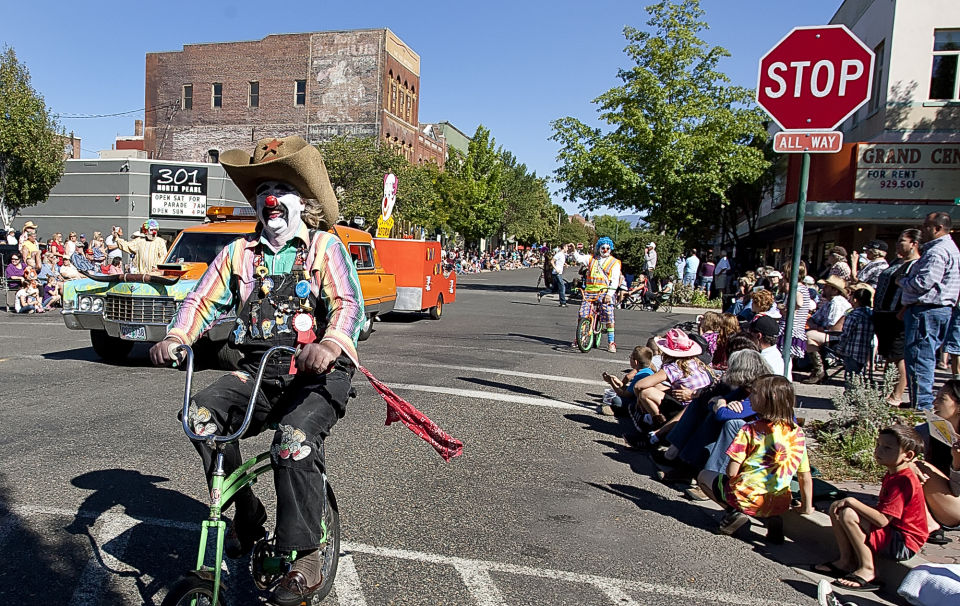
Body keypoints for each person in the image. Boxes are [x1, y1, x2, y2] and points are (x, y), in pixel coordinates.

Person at [148, 136, 360, 605]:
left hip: (318, 376)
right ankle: (245, 512)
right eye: (262, 188)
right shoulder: (238, 254)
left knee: (294, 441)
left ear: (301, 203)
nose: (269, 198)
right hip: (257, 372)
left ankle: (304, 555)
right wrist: (178, 336)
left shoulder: (325, 249)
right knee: (199, 416)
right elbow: (200, 299)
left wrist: (328, 343)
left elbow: (349, 305)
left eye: (279, 188)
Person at [696, 375, 813, 540]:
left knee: (703, 476)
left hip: (748, 497)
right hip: (779, 501)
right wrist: (806, 507)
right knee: (767, 497)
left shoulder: (749, 430)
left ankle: (734, 513)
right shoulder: (798, 433)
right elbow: (804, 475)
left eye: (755, 393)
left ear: (767, 400)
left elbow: (731, 472)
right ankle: (772, 518)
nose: (750, 397)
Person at [815, 425, 928, 592]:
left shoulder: (903, 481)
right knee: (836, 508)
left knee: (848, 513)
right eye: (878, 445)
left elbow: (882, 521)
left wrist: (852, 501)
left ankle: (868, 569)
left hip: (903, 543)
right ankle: (846, 561)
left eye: (887, 448)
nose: (878, 451)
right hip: (892, 534)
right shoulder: (894, 473)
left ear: (908, 455)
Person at [899, 212, 960, 411]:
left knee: (919, 357)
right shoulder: (946, 249)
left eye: (926, 226)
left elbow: (924, 282)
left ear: (937, 229)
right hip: (935, 309)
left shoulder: (937, 252)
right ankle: (920, 400)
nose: (922, 229)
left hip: (928, 310)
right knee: (923, 356)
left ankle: (922, 404)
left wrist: (902, 281)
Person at [874, 229, 922, 406]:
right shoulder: (895, 262)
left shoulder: (916, 264)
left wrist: (904, 310)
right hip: (882, 313)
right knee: (889, 356)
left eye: (902, 241)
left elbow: (915, 290)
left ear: (913, 244)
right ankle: (887, 391)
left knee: (898, 356)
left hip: (897, 314)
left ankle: (897, 395)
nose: (898, 244)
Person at [914, 381, 960, 542]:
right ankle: (926, 520)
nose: (934, 403)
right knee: (908, 462)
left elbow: (957, 491)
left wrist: (957, 461)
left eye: (942, 399)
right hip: (943, 502)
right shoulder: (933, 429)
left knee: (918, 466)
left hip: (956, 506)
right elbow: (905, 441)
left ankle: (929, 523)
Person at [571, 237, 621, 352]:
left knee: (608, 315)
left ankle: (611, 342)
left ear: (610, 248)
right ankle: (580, 337)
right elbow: (579, 259)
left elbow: (614, 280)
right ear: (599, 248)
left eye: (607, 248)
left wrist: (609, 294)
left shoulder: (614, 262)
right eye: (603, 247)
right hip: (589, 292)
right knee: (582, 314)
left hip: (604, 293)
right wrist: (574, 251)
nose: (605, 250)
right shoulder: (591, 259)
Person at [803, 276, 852, 384]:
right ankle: (820, 370)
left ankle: (819, 370)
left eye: (827, 287)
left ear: (834, 290)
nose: (823, 289)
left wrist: (816, 327)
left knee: (809, 336)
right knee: (808, 334)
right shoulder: (829, 302)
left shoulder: (837, 302)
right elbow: (813, 319)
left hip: (837, 337)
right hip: (827, 333)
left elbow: (833, 327)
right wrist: (815, 325)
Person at [600, 346, 655, 416]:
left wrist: (611, 382)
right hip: (642, 400)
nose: (630, 359)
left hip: (637, 403)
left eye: (630, 357)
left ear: (636, 362)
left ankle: (624, 411)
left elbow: (625, 394)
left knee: (616, 400)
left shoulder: (639, 375)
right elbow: (631, 390)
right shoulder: (649, 372)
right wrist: (619, 383)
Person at [834, 287, 875, 377]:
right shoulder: (872, 314)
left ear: (855, 300)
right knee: (860, 376)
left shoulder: (854, 315)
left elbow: (846, 334)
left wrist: (839, 348)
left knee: (851, 377)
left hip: (852, 350)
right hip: (867, 351)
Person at [778, 260, 813, 367]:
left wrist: (783, 309)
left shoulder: (797, 290)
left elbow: (798, 303)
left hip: (791, 329)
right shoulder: (803, 288)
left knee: (785, 360)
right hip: (795, 328)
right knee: (786, 360)